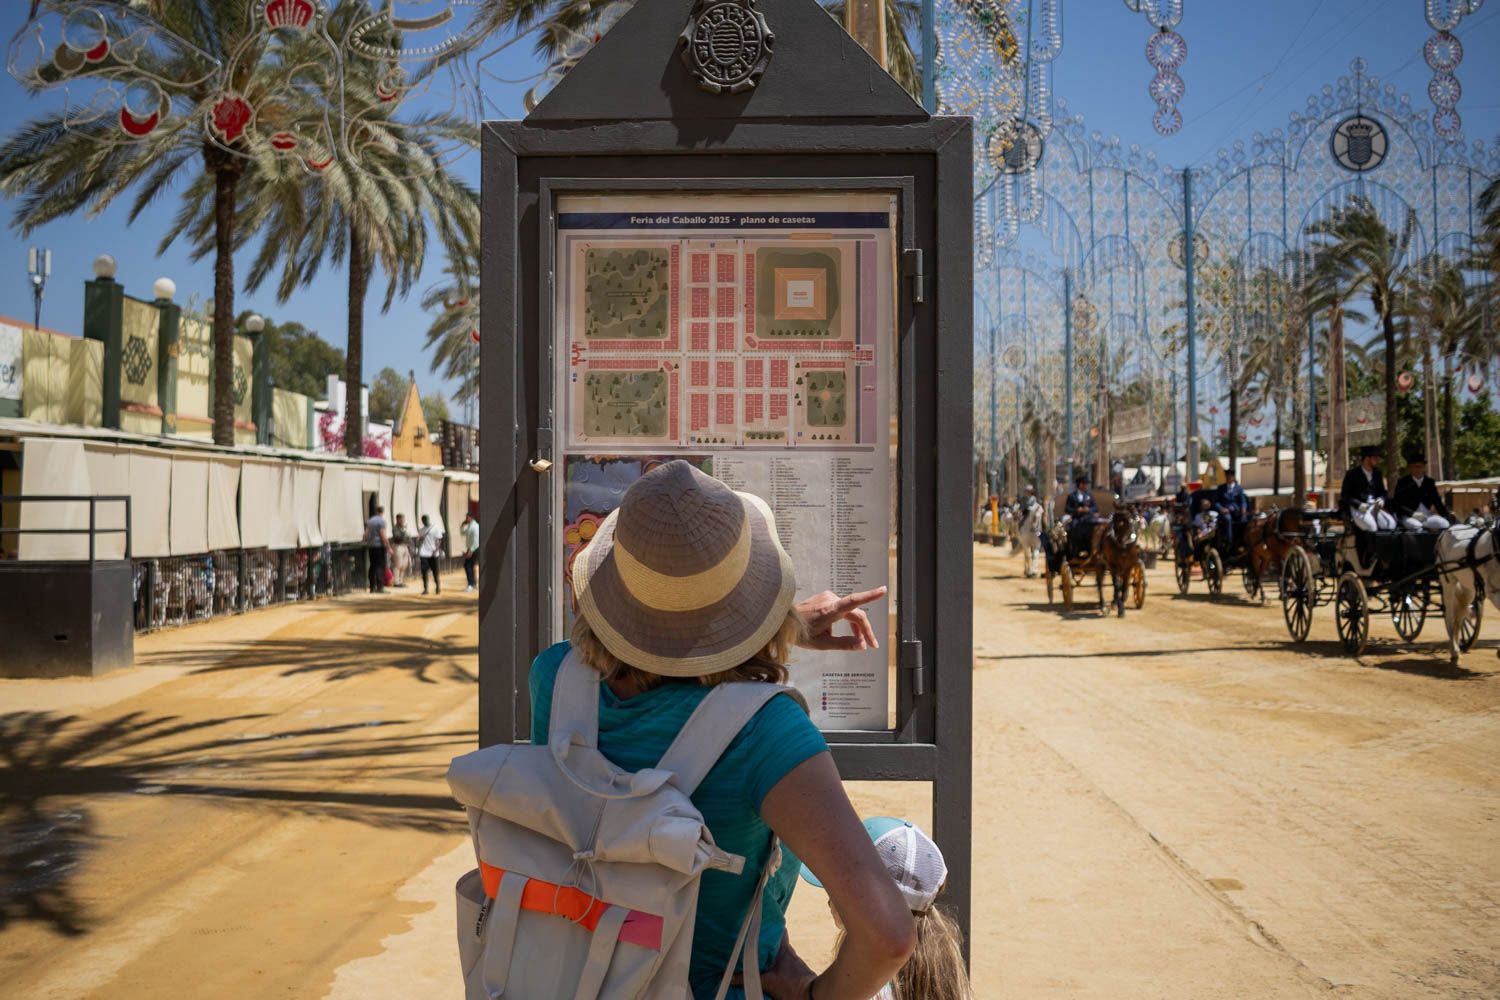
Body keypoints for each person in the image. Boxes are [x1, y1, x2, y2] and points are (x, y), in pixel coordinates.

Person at [529, 461, 916, 999]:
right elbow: (889, 935)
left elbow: (664, 670)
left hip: (576, 981)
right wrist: (810, 994)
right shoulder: (768, 732)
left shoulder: (554, 679)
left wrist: (782, 627)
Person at [799, 818, 970, 1000]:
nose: (830, 896)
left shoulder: (863, 989)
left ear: (864, 903)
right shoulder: (944, 962)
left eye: (837, 887)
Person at [1340, 445, 1397, 532]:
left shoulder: (1377, 474)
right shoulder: (1352, 474)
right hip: (1358, 508)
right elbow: (1345, 495)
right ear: (1367, 458)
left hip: (1374, 507)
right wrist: (1358, 504)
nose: (1378, 460)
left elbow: (1382, 492)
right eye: (1375, 457)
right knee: (1372, 528)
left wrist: (1382, 499)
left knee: (1391, 525)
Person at [1394, 455, 1452, 531]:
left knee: (1443, 524)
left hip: (1427, 516)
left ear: (1424, 468)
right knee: (1418, 527)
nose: (1418, 469)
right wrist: (1412, 514)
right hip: (1409, 517)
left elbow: (1437, 501)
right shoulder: (1403, 482)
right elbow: (1398, 504)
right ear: (1410, 468)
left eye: (1420, 466)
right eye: (1415, 466)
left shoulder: (1429, 482)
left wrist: (1446, 516)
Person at [1064, 475, 1101, 557]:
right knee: (1073, 530)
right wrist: (1077, 510)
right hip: (1077, 520)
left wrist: (1088, 510)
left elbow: (1095, 508)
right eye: (1085, 484)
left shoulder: (1089, 495)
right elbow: (1067, 509)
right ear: (1080, 485)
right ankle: (1074, 550)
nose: (1086, 486)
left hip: (1088, 519)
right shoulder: (1072, 496)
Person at [1215, 469, 1250, 548]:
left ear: (1233, 477)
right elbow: (1216, 502)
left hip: (1236, 511)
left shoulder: (1239, 488)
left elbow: (1243, 501)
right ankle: (1230, 540)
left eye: (1230, 477)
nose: (1228, 478)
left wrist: (1243, 509)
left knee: (1245, 520)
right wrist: (1222, 509)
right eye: (1227, 477)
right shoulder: (1221, 488)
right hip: (1225, 512)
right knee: (1228, 519)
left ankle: (1242, 540)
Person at [365, 505, 391, 593]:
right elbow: (382, 534)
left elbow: (366, 533)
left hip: (371, 546)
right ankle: (380, 587)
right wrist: (388, 547)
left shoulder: (369, 521)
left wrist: (365, 540)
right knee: (380, 566)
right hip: (379, 546)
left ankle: (372, 587)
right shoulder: (382, 521)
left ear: (376, 511)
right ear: (382, 512)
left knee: (372, 566)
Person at [416, 514, 444, 594]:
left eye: (426, 520)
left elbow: (439, 540)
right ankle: (426, 589)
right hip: (424, 553)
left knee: (435, 571)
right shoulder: (421, 530)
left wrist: (436, 549)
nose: (425, 521)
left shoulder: (435, 528)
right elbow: (419, 540)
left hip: (433, 553)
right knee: (424, 572)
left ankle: (437, 587)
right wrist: (420, 539)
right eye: (423, 520)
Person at [390, 513, 412, 587]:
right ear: (398, 519)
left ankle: (401, 581)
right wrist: (404, 531)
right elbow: (397, 537)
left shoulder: (404, 528)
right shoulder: (395, 528)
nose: (403, 520)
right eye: (401, 519)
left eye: (403, 519)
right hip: (398, 546)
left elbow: (408, 537)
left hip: (405, 546)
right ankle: (396, 582)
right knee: (398, 564)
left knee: (404, 565)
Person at [461, 511, 480, 592]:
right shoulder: (470, 526)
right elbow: (463, 533)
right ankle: (473, 584)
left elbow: (475, 539)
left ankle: (471, 584)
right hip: (471, 548)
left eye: (468, 517)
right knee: (469, 565)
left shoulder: (475, 526)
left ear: (471, 517)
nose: (466, 518)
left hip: (474, 548)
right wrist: (462, 525)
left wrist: (471, 551)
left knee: (467, 565)